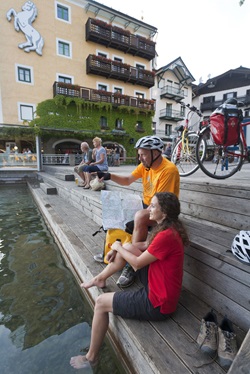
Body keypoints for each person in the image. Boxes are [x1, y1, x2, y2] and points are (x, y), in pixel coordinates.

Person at [70, 192, 189, 370]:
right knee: (128, 246)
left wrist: (117, 247)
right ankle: (100, 278)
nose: (148, 208)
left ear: (163, 213)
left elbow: (138, 262)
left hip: (158, 303)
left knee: (101, 303)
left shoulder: (166, 235)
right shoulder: (166, 229)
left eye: (153, 206)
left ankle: (91, 357)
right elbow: (145, 247)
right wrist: (120, 247)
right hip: (158, 285)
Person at [95, 135, 180, 287]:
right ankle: (109, 250)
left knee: (139, 216)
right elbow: (128, 180)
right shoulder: (146, 165)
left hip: (163, 210)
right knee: (114, 209)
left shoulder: (168, 170)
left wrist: (135, 216)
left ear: (155, 153)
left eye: (143, 154)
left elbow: (158, 205)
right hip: (149, 204)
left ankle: (130, 265)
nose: (140, 158)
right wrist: (109, 176)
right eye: (139, 154)